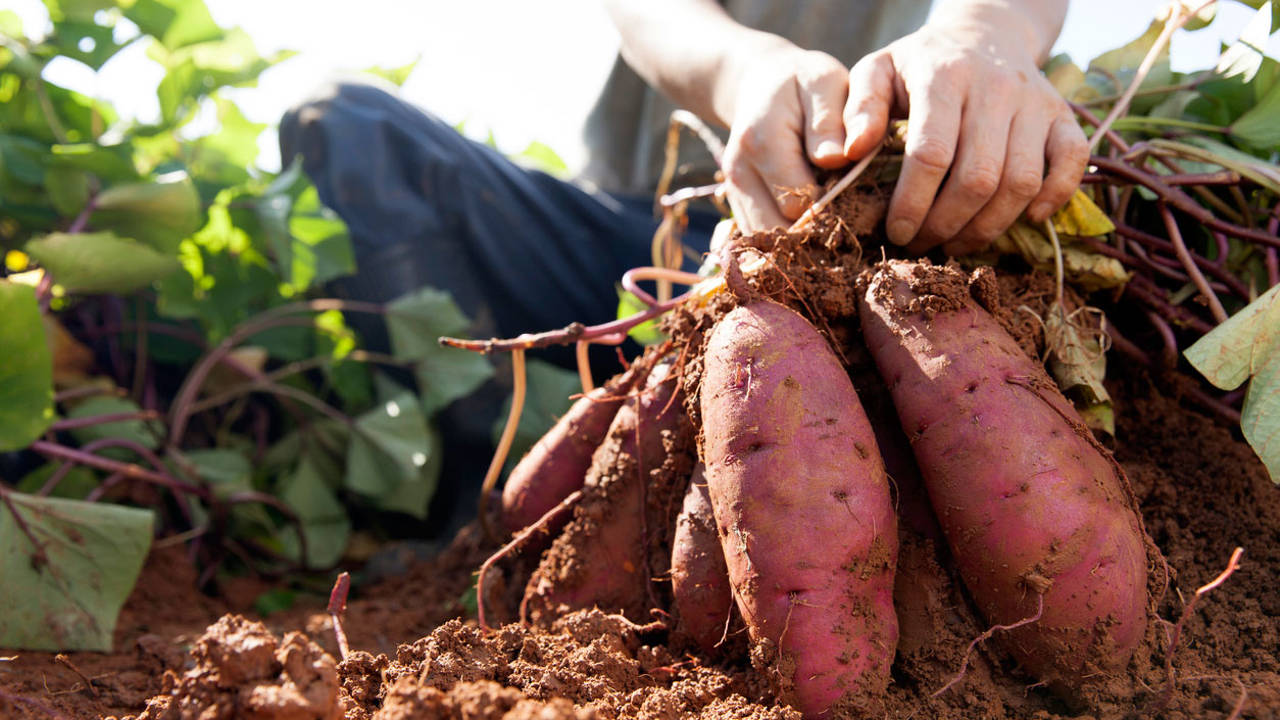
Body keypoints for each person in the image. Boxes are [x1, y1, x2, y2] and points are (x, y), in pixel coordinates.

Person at [278, 0, 1086, 530]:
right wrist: (742, 73)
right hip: (649, 236)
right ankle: (478, 515)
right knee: (345, 125)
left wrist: (985, 39)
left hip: (874, 251)